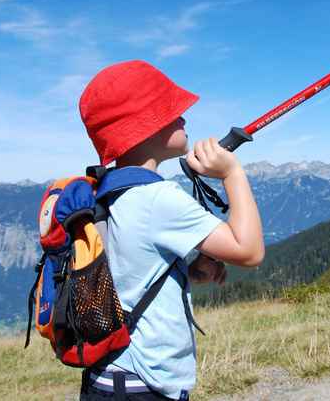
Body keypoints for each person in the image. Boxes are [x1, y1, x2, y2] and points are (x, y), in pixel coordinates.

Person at [78, 59, 264, 401]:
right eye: (173, 111)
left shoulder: (108, 190)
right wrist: (232, 174)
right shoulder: (157, 198)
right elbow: (249, 251)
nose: (184, 117)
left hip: (110, 377)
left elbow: (127, 273)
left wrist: (187, 270)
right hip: (142, 384)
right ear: (146, 127)